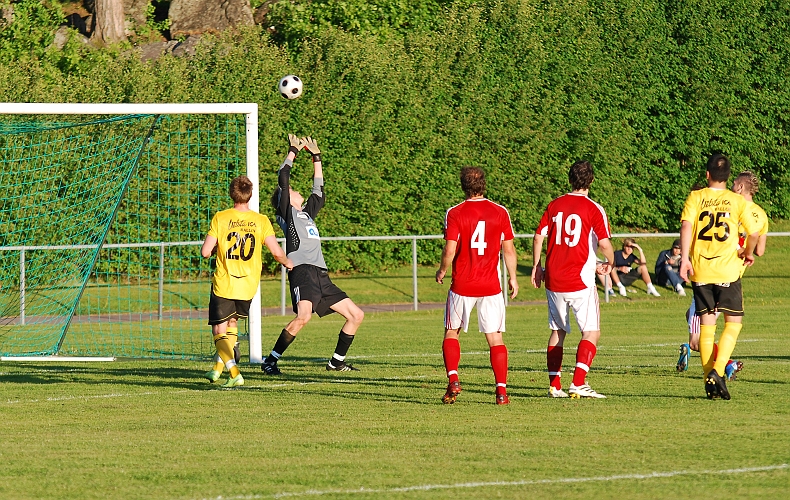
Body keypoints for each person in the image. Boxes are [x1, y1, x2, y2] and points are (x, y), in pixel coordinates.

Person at [261, 135, 365, 375]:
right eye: (294, 192)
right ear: (285, 199)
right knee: (303, 317)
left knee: (356, 315)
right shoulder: (287, 212)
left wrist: (316, 158)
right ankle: (271, 360)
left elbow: (318, 191)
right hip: (303, 272)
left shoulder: (306, 213)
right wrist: (292, 151)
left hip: (320, 274)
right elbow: (283, 178)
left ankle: (336, 362)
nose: (298, 192)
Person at [679, 155, 761, 400]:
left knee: (707, 326)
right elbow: (754, 234)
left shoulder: (696, 197)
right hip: (727, 269)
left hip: (701, 270)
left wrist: (684, 259)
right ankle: (718, 371)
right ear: (728, 177)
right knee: (733, 323)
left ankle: (709, 380)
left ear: (707, 175)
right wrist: (747, 253)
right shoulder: (736, 201)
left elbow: (686, 226)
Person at [531, 160, 615, 399]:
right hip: (580, 280)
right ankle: (578, 382)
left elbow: (539, 237)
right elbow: (604, 243)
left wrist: (537, 266)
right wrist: (611, 262)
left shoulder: (555, 205)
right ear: (591, 181)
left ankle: (554, 386)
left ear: (570, 179)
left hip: (554, 278)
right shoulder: (593, 208)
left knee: (558, 330)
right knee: (591, 332)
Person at [435, 166, 518, 405]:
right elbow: (509, 249)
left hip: (462, 284)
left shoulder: (455, 213)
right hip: (491, 286)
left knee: (452, 332)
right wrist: (512, 277)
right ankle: (501, 392)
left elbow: (450, 249)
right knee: (495, 338)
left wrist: (442, 270)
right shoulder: (500, 212)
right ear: (484, 185)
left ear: (463, 186)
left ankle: (453, 380)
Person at [201, 175, 293, 387]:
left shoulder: (221, 217)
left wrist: (217, 247)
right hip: (248, 286)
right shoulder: (261, 221)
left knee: (218, 330)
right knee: (232, 324)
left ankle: (234, 373)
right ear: (250, 195)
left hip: (225, 283)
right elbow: (276, 252)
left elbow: (206, 252)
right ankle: (216, 370)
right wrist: (289, 263)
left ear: (231, 193)